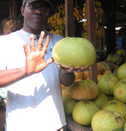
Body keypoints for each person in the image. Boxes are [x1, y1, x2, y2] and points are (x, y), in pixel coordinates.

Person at [0, 0, 78, 131]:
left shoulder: (60, 42)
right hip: (20, 125)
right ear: (22, 9)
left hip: (56, 124)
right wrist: (25, 71)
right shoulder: (5, 43)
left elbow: (67, 82)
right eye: (34, 6)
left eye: (44, 7)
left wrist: (68, 71)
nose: (39, 11)